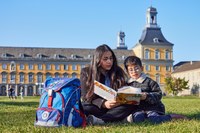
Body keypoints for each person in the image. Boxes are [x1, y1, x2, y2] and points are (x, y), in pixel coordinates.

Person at [80, 44, 136, 125]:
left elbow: (123, 89)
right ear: (97, 59)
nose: (109, 61)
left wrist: (122, 99)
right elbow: (85, 97)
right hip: (97, 107)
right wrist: (103, 103)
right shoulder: (86, 72)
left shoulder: (118, 71)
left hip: (116, 107)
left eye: (111, 58)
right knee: (85, 107)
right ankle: (117, 118)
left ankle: (101, 120)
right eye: (105, 59)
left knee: (131, 104)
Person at [123, 55, 187, 124]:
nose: (134, 71)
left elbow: (158, 94)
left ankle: (172, 117)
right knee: (138, 119)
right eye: (131, 70)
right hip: (138, 109)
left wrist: (147, 96)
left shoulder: (149, 82)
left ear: (142, 68)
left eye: (136, 68)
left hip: (153, 108)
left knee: (154, 119)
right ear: (127, 71)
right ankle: (130, 118)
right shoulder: (128, 84)